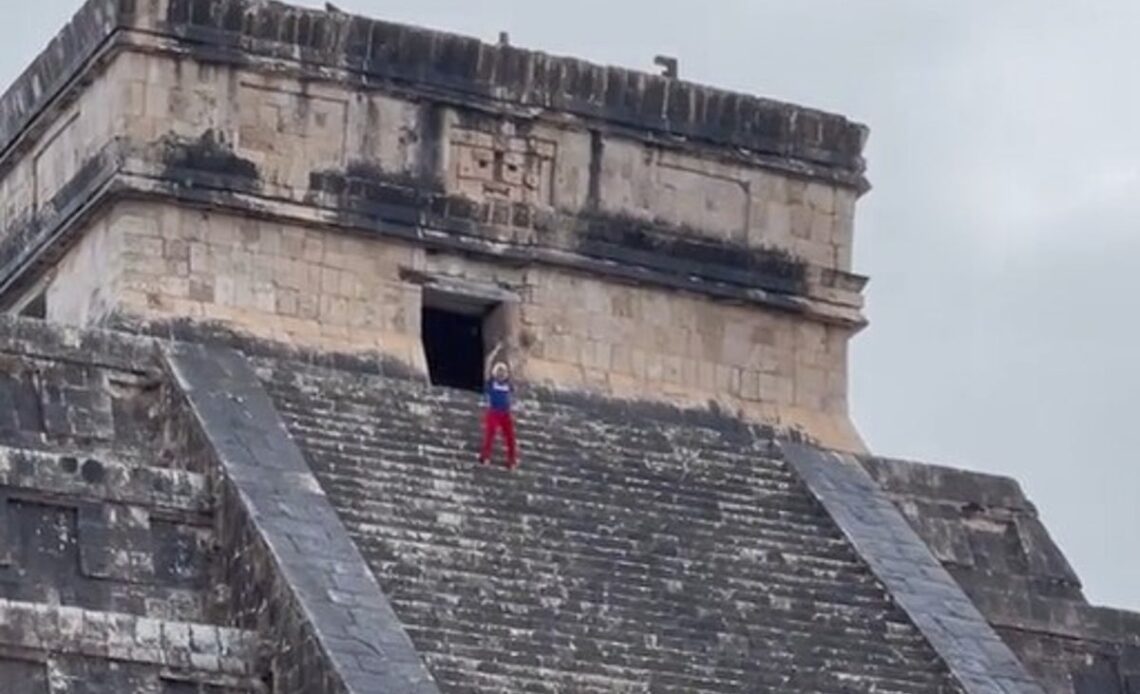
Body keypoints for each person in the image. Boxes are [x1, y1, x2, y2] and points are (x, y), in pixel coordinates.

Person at [479, 343, 518, 469]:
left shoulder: (508, 384)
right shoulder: (491, 382)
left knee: (510, 437)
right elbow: (487, 364)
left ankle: (511, 461)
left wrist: (511, 355)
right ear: (496, 372)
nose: (502, 373)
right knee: (490, 435)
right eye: (499, 370)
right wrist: (495, 351)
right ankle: (485, 457)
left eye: (504, 371)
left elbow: (516, 367)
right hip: (494, 412)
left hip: (505, 413)